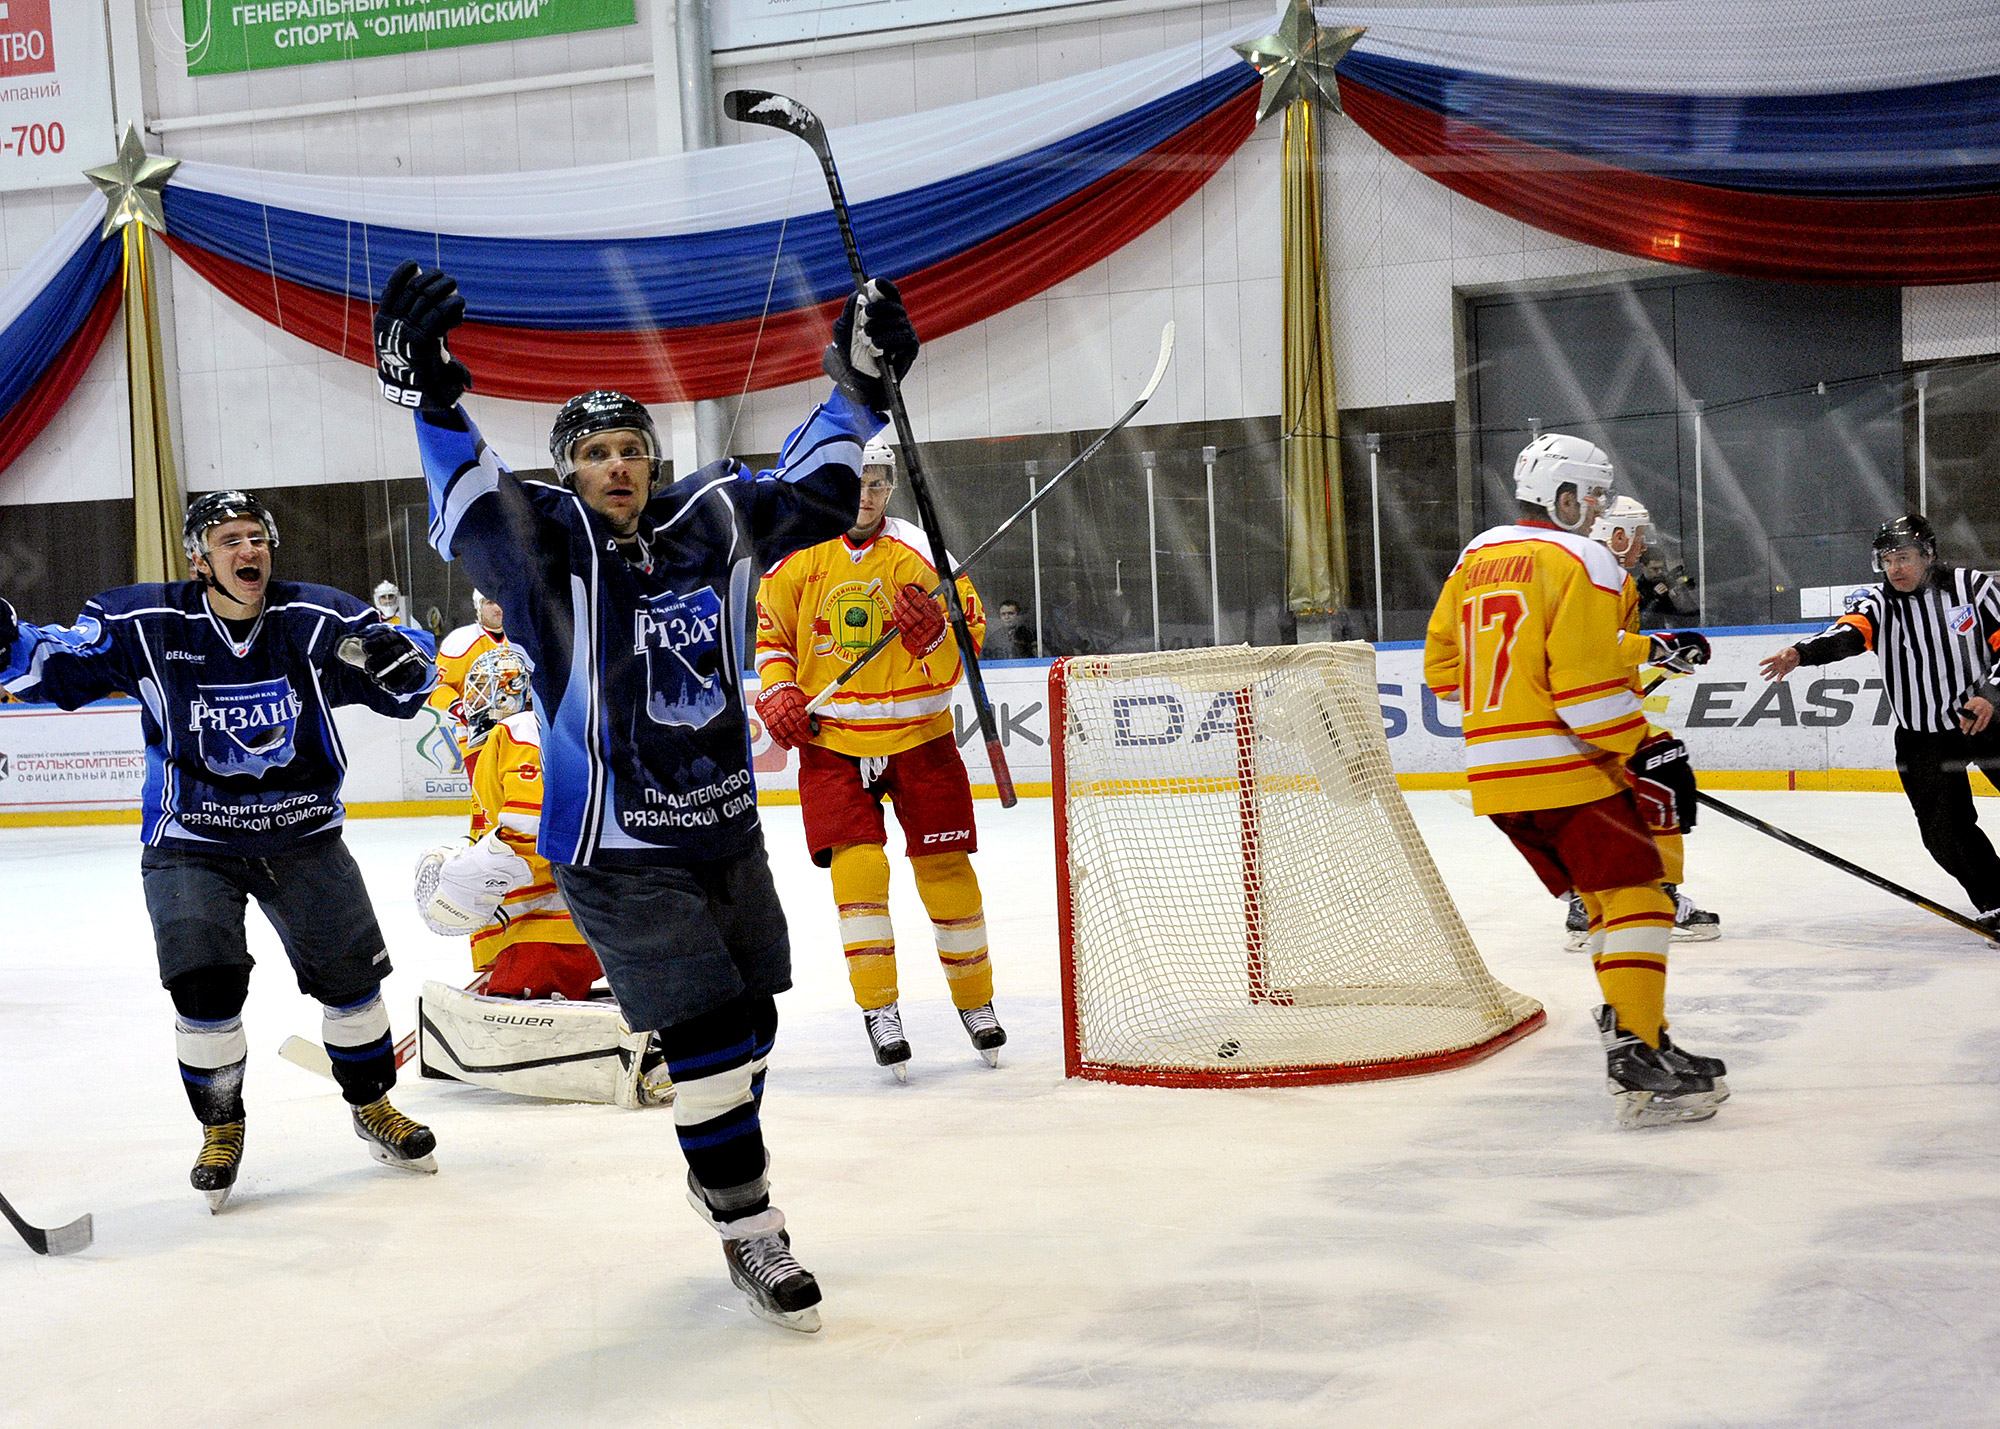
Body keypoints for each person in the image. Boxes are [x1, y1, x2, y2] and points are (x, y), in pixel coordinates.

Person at [377, 258, 916, 1332]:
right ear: (568, 471)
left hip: (723, 827)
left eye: (628, 448)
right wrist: (431, 399)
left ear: (653, 461)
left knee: (753, 1021)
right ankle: (748, 1224)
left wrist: (856, 387)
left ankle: (719, 1166)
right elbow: (473, 499)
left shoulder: (714, 514)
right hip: (613, 851)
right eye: (590, 452)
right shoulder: (545, 542)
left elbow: (812, 485)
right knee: (709, 1035)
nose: (612, 465)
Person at [0, 491, 442, 1210]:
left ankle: (372, 1106)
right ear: (198, 557)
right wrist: (6, 638)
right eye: (229, 539)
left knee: (353, 988)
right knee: (204, 989)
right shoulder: (146, 622)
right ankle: (222, 1126)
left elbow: (402, 675)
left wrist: (406, 658)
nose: (249, 550)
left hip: (303, 833)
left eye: (257, 537)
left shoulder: (315, 617)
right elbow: (56, 665)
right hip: (190, 842)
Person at [1423, 434, 1727, 1127]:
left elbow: (1443, 674)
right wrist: (1648, 745)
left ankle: (1637, 1037)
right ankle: (1638, 1054)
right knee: (1643, 896)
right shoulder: (1582, 558)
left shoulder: (1474, 558)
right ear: (1563, 497)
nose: (1594, 512)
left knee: (1608, 900)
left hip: (1497, 778)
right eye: (1589, 498)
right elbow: (1587, 690)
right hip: (1566, 770)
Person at [754, 435, 1006, 1081]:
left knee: (946, 866)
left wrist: (935, 639)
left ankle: (977, 1003)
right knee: (859, 874)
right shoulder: (795, 553)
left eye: (877, 482)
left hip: (921, 737)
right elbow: (774, 637)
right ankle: (880, 1009)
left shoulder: (922, 554)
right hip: (833, 743)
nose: (866, 495)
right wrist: (781, 689)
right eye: (854, 480)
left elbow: (965, 651)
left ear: (890, 485)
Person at [1759, 514, 2000, 926]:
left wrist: (1991, 695)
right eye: (1887, 560)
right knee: (1943, 833)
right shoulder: (1878, 602)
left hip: (1985, 720)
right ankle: (1997, 899)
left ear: (1928, 554)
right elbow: (1847, 633)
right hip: (1921, 736)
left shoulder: (1972, 589)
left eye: (1903, 558)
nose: (1896, 569)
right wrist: (1802, 653)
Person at [1561, 497, 1719, 947]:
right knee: (1659, 780)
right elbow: (1594, 643)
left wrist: (1660, 662)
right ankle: (1640, 899)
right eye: (1638, 534)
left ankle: (1588, 902)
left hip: (1593, 711)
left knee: (1622, 799)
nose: (1643, 544)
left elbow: (1609, 650)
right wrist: (1662, 647)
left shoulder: (1606, 575)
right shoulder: (1596, 572)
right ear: (1616, 535)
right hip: (1582, 716)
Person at [415, 645, 602, 1000]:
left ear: (510, 692)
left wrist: (469, 878)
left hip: (545, 927)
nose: (473, 700)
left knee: (521, 1043)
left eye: (484, 687)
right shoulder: (509, 739)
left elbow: (531, 822)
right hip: (545, 926)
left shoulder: (522, 727)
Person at [428, 588, 508, 770]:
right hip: (478, 734)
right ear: (478, 607)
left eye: (500, 600)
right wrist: (460, 708)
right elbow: (436, 686)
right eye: (489, 602)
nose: (497, 608)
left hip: (524, 730)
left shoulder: (526, 637)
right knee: (485, 797)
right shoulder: (461, 641)